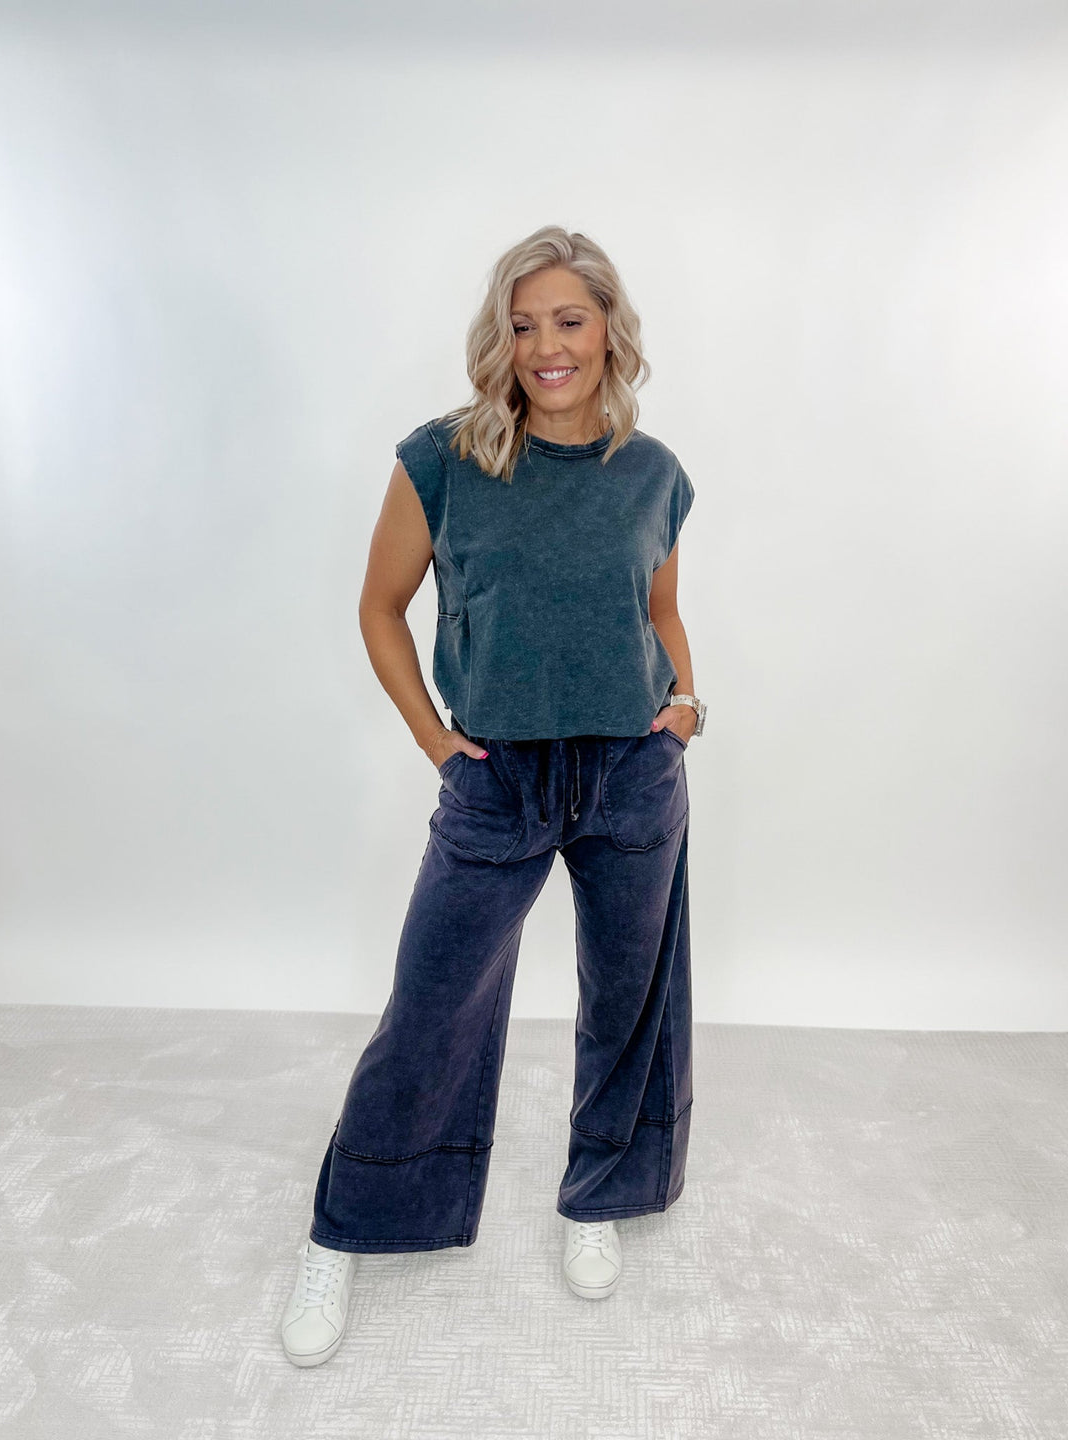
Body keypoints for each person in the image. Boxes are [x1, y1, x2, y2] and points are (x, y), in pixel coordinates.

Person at [280, 225, 705, 1367]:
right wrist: (437, 742)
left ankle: (601, 1195)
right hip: (496, 778)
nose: (545, 346)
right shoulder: (444, 458)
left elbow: (660, 610)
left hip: (629, 770)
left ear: (609, 329)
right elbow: (379, 608)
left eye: (569, 320)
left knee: (630, 997)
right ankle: (349, 1224)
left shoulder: (653, 472)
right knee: (432, 1005)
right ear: (500, 339)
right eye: (523, 325)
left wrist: (685, 702)